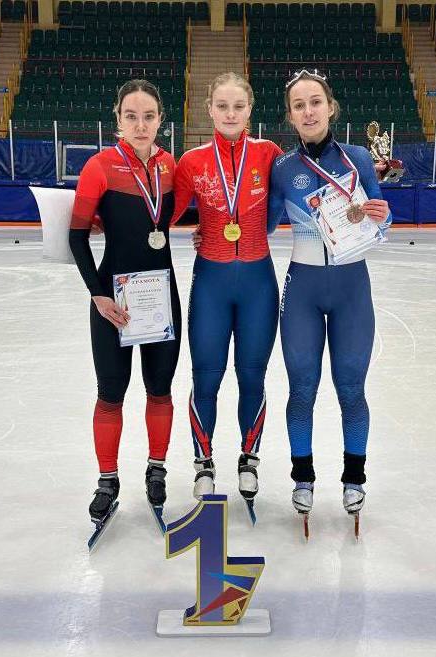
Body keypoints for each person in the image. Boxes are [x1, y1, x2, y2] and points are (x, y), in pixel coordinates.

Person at [268, 69, 391, 517]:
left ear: (330, 107)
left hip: (351, 287)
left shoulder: (357, 157)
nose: (308, 111)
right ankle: (303, 478)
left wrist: (381, 214)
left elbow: (382, 219)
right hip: (302, 288)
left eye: (315, 102)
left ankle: (354, 478)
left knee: (351, 389)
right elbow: (263, 225)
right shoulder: (282, 167)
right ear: (290, 116)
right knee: (301, 389)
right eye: (299, 105)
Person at [69, 80, 181, 523]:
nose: (140, 124)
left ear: (160, 120)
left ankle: (156, 469)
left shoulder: (170, 166)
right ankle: (107, 479)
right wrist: (97, 294)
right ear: (118, 118)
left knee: (160, 388)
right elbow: (77, 235)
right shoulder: (99, 166)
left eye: (149, 116)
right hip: (112, 301)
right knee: (110, 392)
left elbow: (183, 213)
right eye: (131, 116)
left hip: (160, 298)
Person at [172, 72, 282, 503]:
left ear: (250, 109)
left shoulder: (270, 154)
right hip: (211, 285)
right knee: (206, 377)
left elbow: (301, 191)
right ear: (210, 109)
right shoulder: (192, 161)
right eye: (222, 106)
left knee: (252, 375)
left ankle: (249, 459)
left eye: (238, 106)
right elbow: (163, 213)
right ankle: (203, 463)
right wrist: (99, 216)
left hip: (258, 284)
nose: (230, 114)